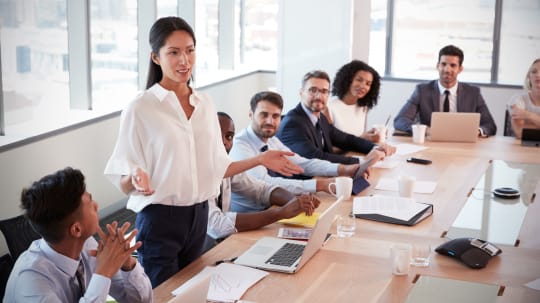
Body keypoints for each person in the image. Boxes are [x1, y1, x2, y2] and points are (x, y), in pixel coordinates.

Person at [103, 16, 303, 288]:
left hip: (198, 218)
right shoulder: (141, 107)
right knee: (163, 295)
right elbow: (123, 177)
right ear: (156, 57)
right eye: (173, 52)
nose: (184, 60)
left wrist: (260, 159)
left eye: (189, 50)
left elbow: (218, 167)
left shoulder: (205, 103)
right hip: (160, 220)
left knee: (193, 293)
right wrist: (134, 178)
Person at [4, 167, 153, 302]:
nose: (96, 205)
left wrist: (127, 264)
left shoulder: (86, 245)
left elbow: (141, 301)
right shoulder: (31, 282)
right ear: (76, 230)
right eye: (90, 201)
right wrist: (104, 271)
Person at [230, 91, 380, 212]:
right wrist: (320, 185)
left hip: (276, 209)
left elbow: (303, 162)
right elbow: (266, 184)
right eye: (264, 114)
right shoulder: (240, 146)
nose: (270, 121)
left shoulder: (271, 140)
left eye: (275, 116)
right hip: (253, 218)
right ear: (251, 114)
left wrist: (343, 169)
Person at [207, 112, 319, 242]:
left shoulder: (227, 166)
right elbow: (217, 225)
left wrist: (296, 202)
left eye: (229, 136)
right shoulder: (195, 173)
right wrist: (280, 213)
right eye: (217, 135)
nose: (224, 142)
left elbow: (261, 189)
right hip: (204, 247)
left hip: (227, 240)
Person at [276, 70, 395, 166]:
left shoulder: (319, 117)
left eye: (324, 91)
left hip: (322, 176)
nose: (319, 96)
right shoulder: (292, 124)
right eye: (313, 90)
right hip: (302, 185)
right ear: (301, 93)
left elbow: (346, 140)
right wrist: (363, 161)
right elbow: (316, 157)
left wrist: (376, 147)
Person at [393, 44, 497, 137]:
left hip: (463, 146)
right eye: (443, 64)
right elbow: (400, 120)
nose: (447, 69)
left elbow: (490, 125)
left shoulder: (473, 93)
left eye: (453, 65)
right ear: (437, 66)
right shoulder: (422, 91)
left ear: (460, 69)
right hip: (432, 145)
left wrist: (477, 131)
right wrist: (425, 130)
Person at [323, 60, 383, 142]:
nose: (363, 86)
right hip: (341, 155)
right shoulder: (328, 109)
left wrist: (369, 135)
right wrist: (361, 139)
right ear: (348, 80)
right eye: (359, 80)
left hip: (358, 154)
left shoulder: (363, 108)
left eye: (368, 84)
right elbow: (329, 146)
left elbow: (358, 136)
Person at [508, 58, 540, 138]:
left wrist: (527, 115)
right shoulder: (518, 100)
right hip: (522, 148)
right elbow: (519, 132)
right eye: (534, 72)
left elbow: (525, 132)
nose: (538, 75)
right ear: (529, 77)